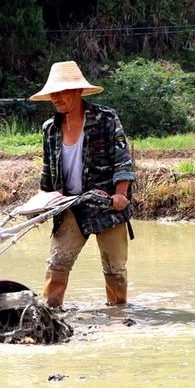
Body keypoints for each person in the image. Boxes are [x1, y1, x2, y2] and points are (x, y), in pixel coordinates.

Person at [29, 61, 135, 308]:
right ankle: (49, 314)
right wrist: (42, 204)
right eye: (52, 93)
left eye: (61, 92)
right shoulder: (50, 129)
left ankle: (117, 314)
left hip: (106, 206)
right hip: (70, 206)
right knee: (57, 264)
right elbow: (47, 174)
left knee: (115, 269)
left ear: (78, 92)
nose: (55, 98)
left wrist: (120, 195)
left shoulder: (106, 120)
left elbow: (122, 161)